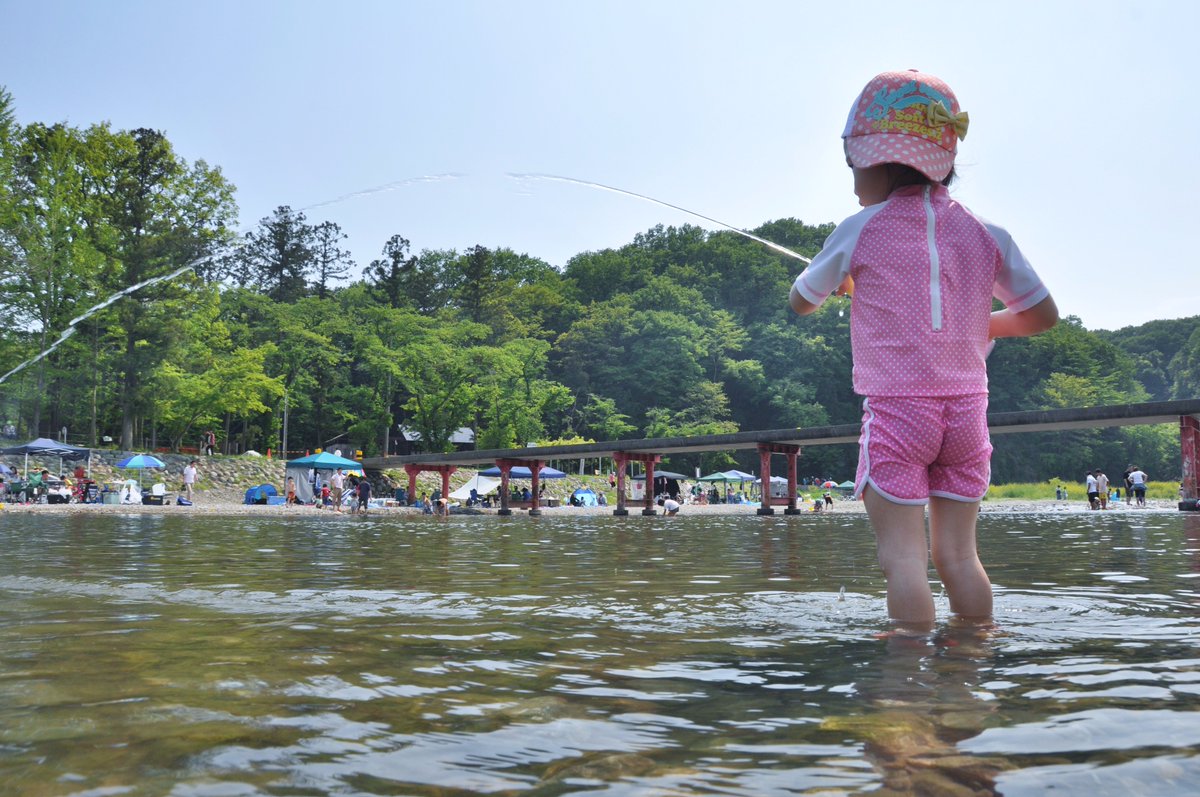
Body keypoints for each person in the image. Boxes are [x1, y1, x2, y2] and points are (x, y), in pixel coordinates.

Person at [789, 70, 1058, 631]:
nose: (853, 183)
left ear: (880, 164)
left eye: (854, 168)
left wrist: (844, 281)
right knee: (959, 558)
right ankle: (971, 668)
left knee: (903, 561)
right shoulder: (989, 234)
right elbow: (1041, 316)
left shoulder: (859, 227)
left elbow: (801, 301)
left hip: (897, 414)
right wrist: (977, 326)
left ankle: (907, 694)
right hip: (966, 416)